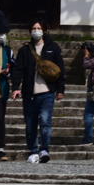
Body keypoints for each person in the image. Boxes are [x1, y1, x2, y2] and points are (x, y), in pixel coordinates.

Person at [11, 20, 65, 163]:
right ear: (30, 31)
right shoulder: (24, 50)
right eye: (34, 28)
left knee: (45, 122)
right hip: (29, 93)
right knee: (30, 124)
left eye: (39, 28)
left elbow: (60, 69)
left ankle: (44, 150)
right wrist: (15, 87)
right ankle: (33, 151)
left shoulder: (53, 47)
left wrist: (60, 89)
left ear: (44, 30)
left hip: (47, 91)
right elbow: (18, 70)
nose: (36, 30)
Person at [0, 30, 10, 161]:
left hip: (0, 92)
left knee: (0, 119)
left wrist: (7, 72)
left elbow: (15, 67)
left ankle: (0, 149)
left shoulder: (7, 50)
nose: (1, 36)